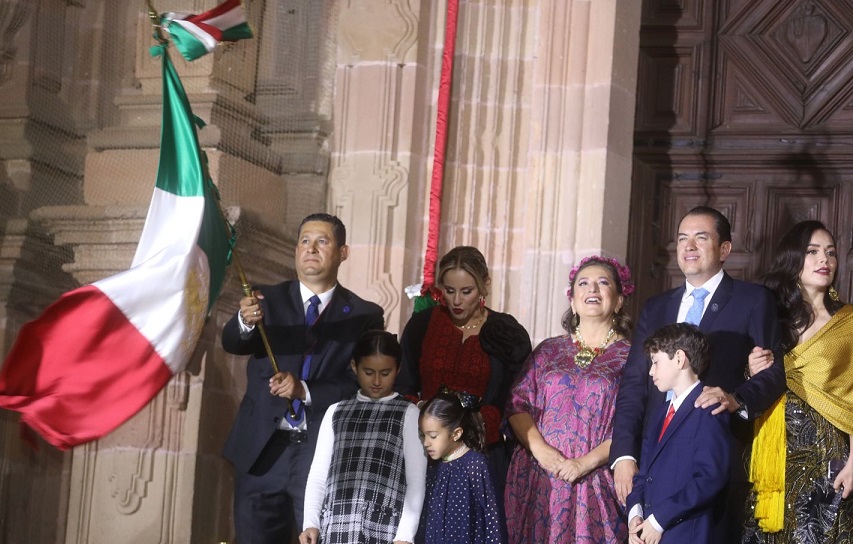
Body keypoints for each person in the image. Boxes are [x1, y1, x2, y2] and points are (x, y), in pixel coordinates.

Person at [610, 205, 786, 543]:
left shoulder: (754, 300)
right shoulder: (656, 307)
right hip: (654, 462)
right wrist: (624, 456)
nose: (688, 246)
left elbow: (775, 371)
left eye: (700, 237)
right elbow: (634, 385)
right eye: (682, 239)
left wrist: (737, 398)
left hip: (712, 464)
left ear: (725, 249)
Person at [221, 213, 384, 544]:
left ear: (342, 252)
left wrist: (305, 389)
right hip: (261, 456)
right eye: (305, 241)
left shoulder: (365, 315)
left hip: (319, 457)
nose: (311, 249)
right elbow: (233, 342)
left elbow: (363, 383)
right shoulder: (266, 299)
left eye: (322, 241)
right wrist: (244, 320)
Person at [504, 256, 633, 543]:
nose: (593, 289)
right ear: (573, 301)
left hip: (596, 479)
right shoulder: (548, 351)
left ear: (619, 300)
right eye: (583, 283)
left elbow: (634, 422)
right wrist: (540, 450)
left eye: (603, 283)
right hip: (539, 476)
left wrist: (584, 463)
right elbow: (517, 403)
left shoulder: (632, 358)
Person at [742, 221, 853, 543]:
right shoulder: (769, 317)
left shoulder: (847, 323)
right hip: (770, 450)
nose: (825, 260)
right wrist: (751, 372)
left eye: (831, 253)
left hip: (828, 454)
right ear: (793, 259)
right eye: (813, 252)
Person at [397, 246, 531, 495]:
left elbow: (517, 400)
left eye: (466, 291)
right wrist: (420, 411)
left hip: (483, 456)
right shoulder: (423, 324)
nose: (457, 301)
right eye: (449, 291)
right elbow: (403, 385)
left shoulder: (507, 332)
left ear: (484, 286)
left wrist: (478, 424)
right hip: (425, 452)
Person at [299, 330, 426, 544]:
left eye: (385, 373)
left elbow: (415, 480)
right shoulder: (336, 411)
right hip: (336, 527)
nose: (376, 381)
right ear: (354, 366)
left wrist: (405, 536)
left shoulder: (409, 413)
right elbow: (319, 475)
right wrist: (310, 522)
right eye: (368, 372)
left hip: (384, 530)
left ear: (398, 370)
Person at [627, 323, 732, 544]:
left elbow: (710, 478)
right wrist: (635, 514)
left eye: (655, 362)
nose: (651, 371)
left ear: (679, 358)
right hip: (648, 532)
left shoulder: (708, 409)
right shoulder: (659, 414)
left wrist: (659, 520)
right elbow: (644, 473)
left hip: (686, 534)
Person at [416, 390, 505, 544]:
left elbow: (492, 518)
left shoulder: (476, 464)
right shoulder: (433, 467)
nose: (426, 443)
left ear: (456, 434)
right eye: (423, 435)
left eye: (433, 436)